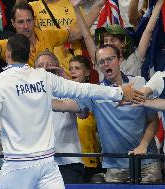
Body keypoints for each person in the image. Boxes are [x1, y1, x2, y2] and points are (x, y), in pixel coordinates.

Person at [0, 34, 144, 188]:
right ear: (29, 53)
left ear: (7, 54)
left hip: (17, 166)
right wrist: (119, 92)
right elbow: (82, 89)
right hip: (47, 165)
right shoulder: (44, 77)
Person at [54, 44, 162, 183]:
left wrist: (143, 145)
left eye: (110, 59)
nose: (106, 64)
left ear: (119, 59)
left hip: (147, 163)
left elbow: (153, 121)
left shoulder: (139, 82)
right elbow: (64, 105)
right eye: (101, 62)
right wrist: (36, 97)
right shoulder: (96, 92)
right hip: (115, 167)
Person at [0, 2, 84, 68]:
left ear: (34, 20)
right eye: (21, 22)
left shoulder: (48, 35)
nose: (26, 26)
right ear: (13, 23)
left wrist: (99, 5)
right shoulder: (11, 44)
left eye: (29, 21)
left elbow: (75, 33)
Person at [72, 0, 164, 78]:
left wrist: (159, 3)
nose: (108, 43)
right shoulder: (100, 61)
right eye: (106, 41)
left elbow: (148, 31)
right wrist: (76, 10)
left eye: (113, 40)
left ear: (123, 43)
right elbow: (87, 36)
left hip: (135, 99)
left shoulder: (135, 58)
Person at [34, 51, 85, 183]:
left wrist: (65, 79)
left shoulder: (67, 91)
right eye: (40, 66)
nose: (44, 69)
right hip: (39, 164)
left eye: (49, 65)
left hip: (69, 163)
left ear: (57, 68)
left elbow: (83, 113)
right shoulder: (27, 96)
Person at [69, 55, 103, 182]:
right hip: (71, 159)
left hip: (91, 161)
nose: (73, 71)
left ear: (87, 72)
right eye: (70, 68)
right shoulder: (63, 94)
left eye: (77, 68)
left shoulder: (93, 94)